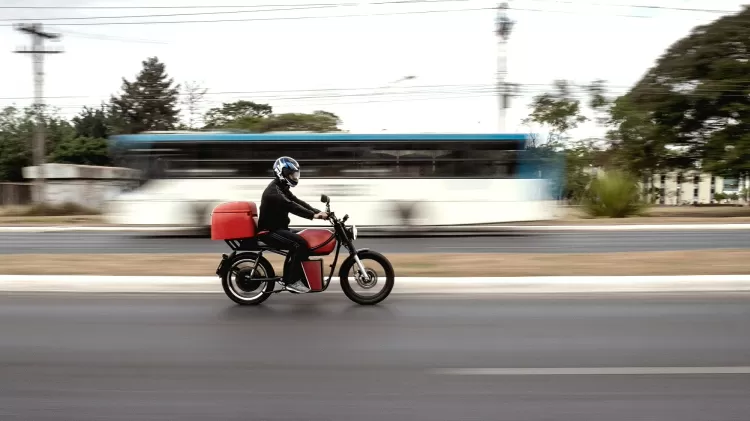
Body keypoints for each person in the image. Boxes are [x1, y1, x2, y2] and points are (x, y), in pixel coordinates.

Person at [257, 156, 328, 293]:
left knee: (305, 239)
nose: (294, 177)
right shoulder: (274, 192)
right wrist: (313, 215)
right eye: (291, 174)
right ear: (281, 172)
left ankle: (300, 277)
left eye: (295, 174)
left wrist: (318, 211)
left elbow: (297, 201)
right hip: (269, 232)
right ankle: (292, 281)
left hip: (279, 229)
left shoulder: (281, 187)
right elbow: (291, 206)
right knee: (299, 244)